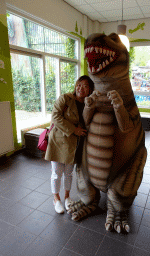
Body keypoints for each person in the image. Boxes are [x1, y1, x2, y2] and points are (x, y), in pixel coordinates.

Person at [45, 75, 94, 214]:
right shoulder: (65, 98)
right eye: (79, 84)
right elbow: (55, 116)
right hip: (59, 141)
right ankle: (56, 199)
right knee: (56, 173)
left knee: (69, 173)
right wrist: (74, 130)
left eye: (85, 86)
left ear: (89, 89)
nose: (81, 88)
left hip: (76, 144)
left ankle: (67, 197)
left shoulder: (88, 103)